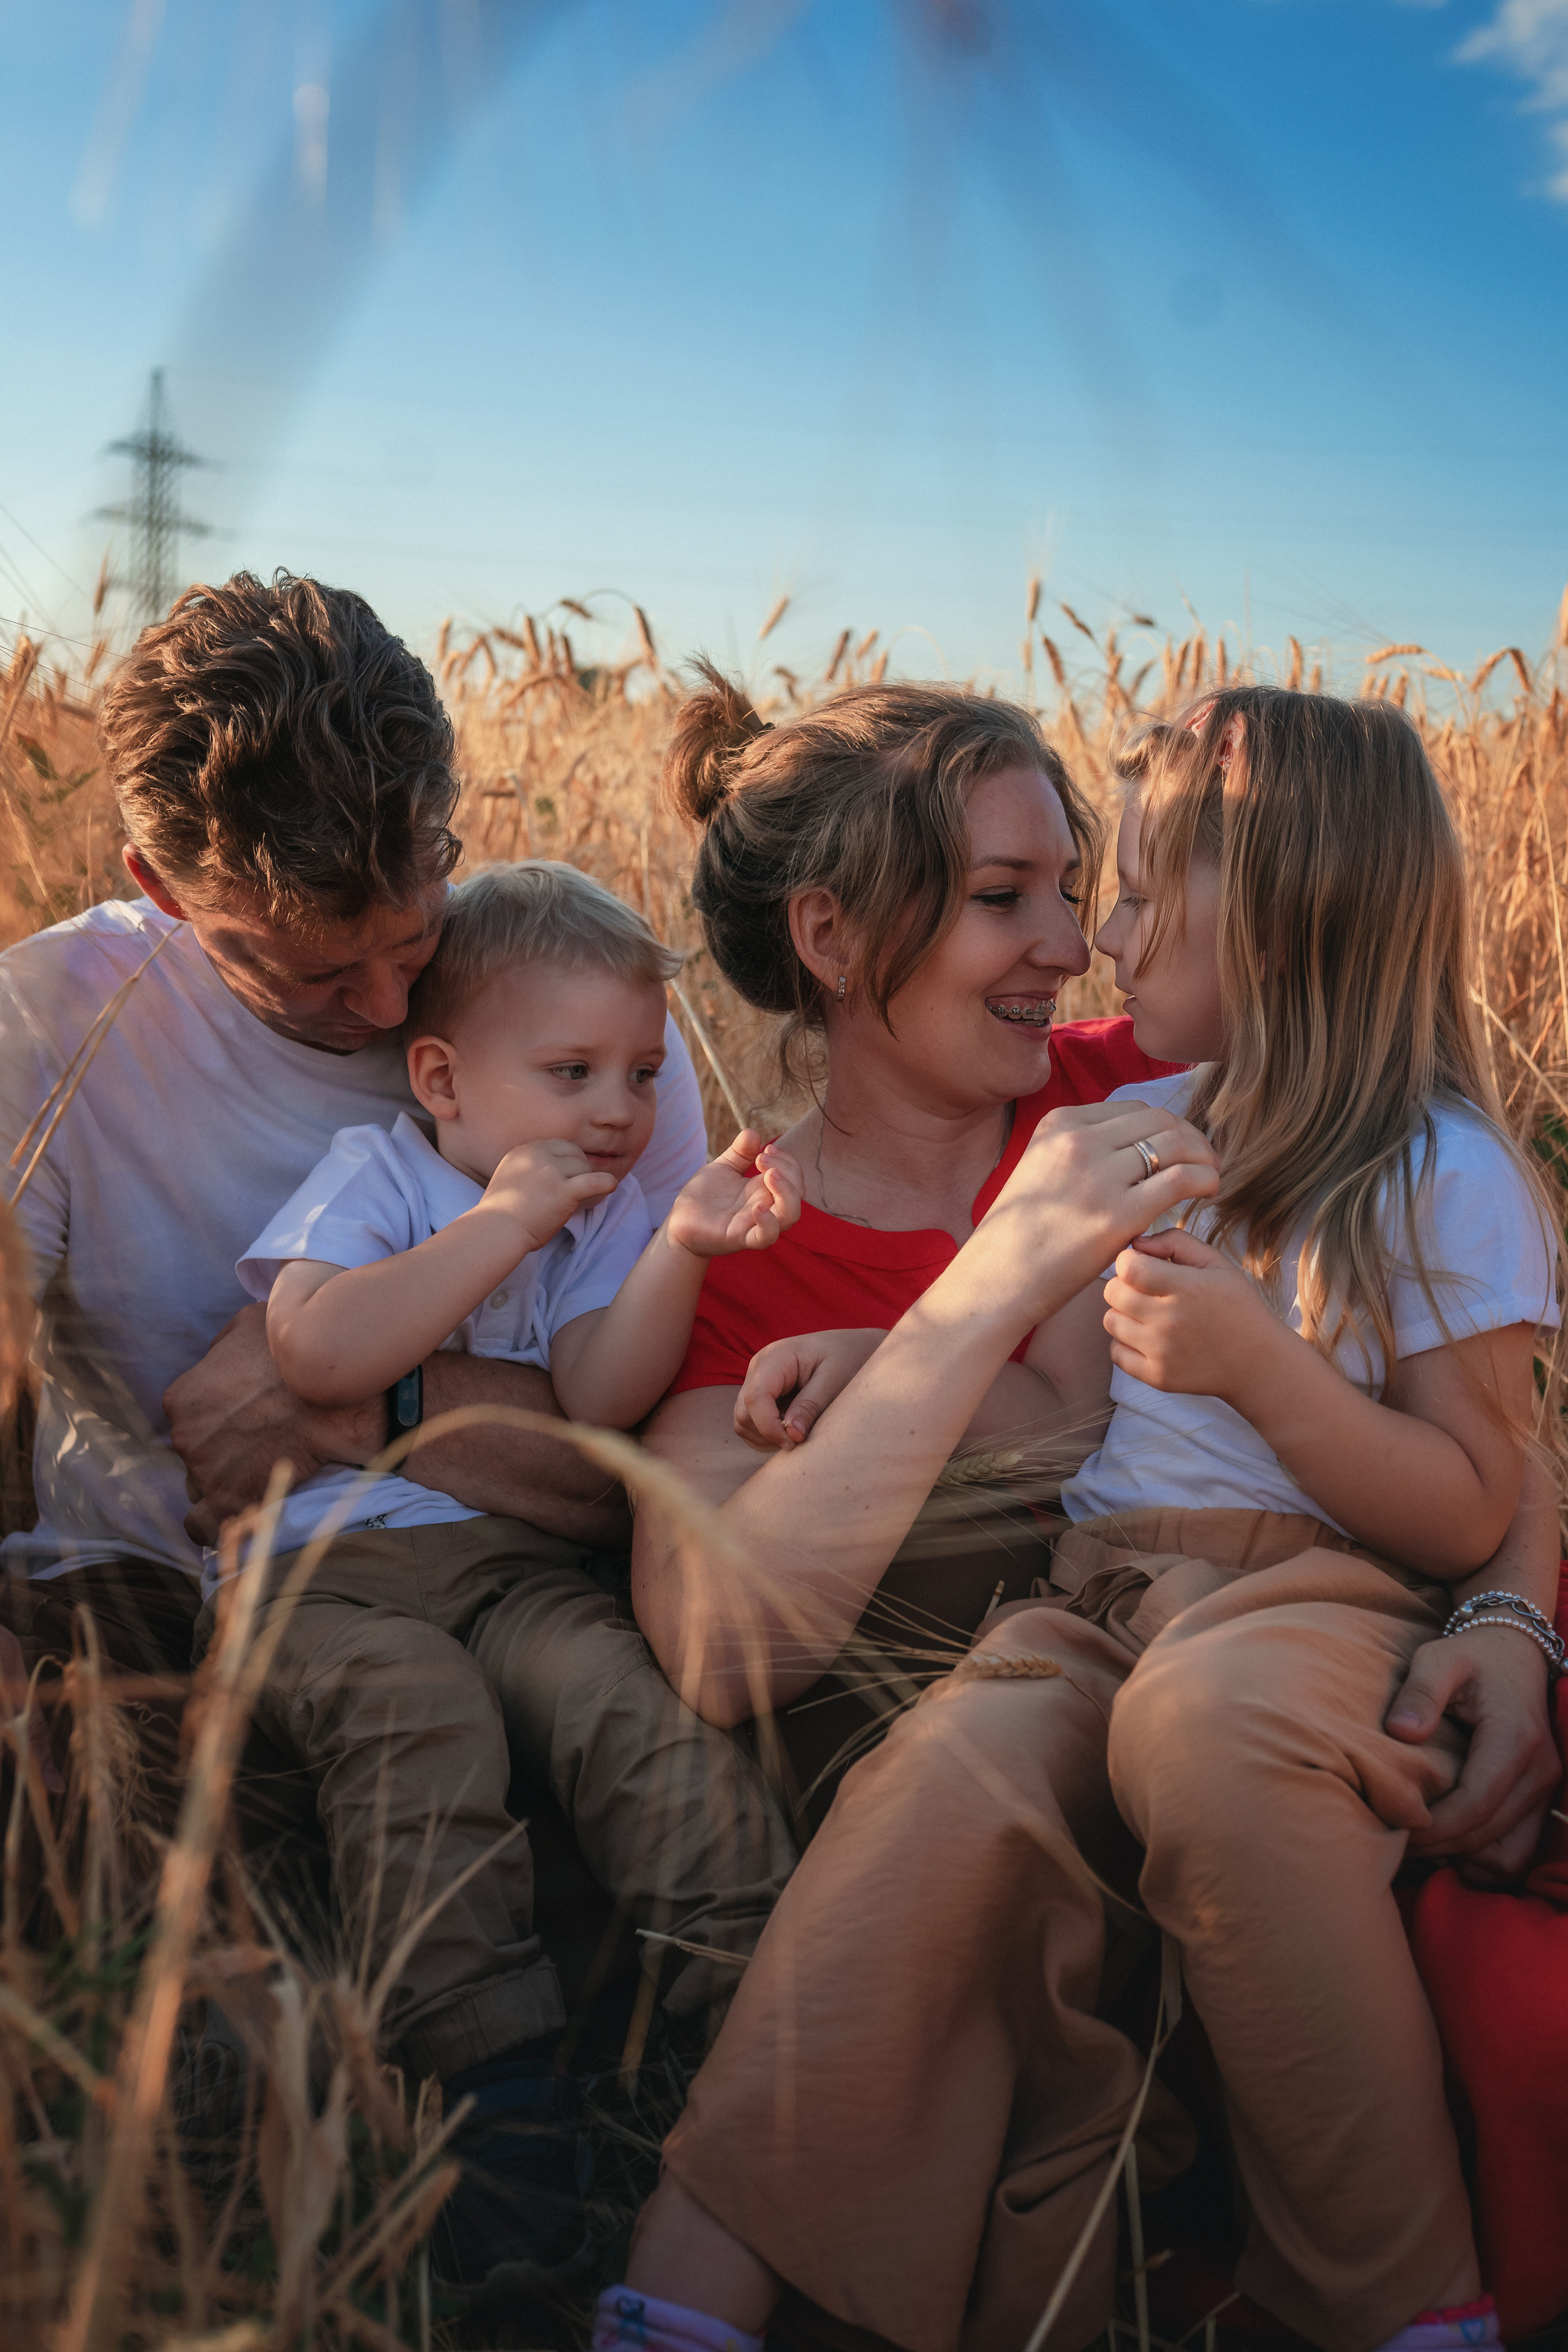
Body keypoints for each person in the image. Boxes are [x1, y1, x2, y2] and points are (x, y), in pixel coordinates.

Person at [590, 679, 1565, 2352]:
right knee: (948, 1789)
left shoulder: (1164, 1085)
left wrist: (1512, 1614)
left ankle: (1402, 2300)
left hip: (1266, 1640)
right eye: (1003, 899)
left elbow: (1483, 1427)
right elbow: (723, 1641)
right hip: (1073, 1641)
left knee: (1207, 1732)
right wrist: (956, 1307)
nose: (1077, 947)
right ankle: (687, 2292)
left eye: (1089, 884)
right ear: (829, 937)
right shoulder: (738, 1236)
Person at [0, 571, 709, 1829]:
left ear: (449, 818)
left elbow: (649, 1476)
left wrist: (343, 1400)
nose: (389, 1014)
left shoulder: (575, 1030)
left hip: (501, 1591)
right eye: (315, 968)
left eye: (413, 933)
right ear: (164, 892)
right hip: (142, 1610)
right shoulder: (44, 1027)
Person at [214, 857, 802, 2289]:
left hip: (513, 1568)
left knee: (621, 1709)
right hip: (326, 1574)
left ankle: (775, 2025)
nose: (617, 1109)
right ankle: (491, 2112)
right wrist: (495, 1229)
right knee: (419, 1725)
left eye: (642, 1074)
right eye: (571, 1070)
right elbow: (319, 1357)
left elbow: (600, 1397)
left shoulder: (604, 1217)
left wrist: (671, 1243)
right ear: (442, 1079)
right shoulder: (380, 1181)